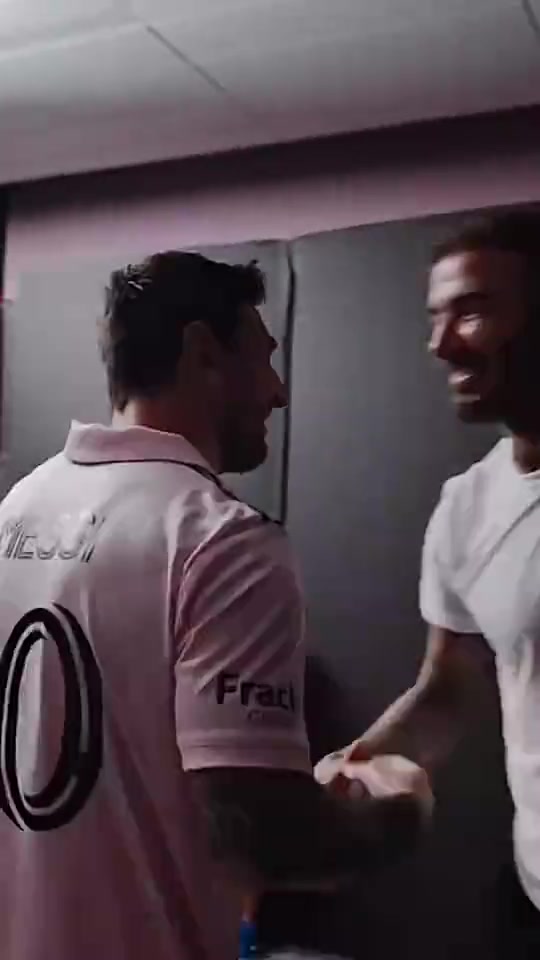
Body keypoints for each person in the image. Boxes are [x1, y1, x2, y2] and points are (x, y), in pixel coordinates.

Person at [0, 251, 431, 960]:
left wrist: (289, 781)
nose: (278, 392)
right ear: (204, 353)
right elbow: (260, 837)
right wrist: (399, 810)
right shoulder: (223, 540)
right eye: (263, 359)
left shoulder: (20, 506)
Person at [321, 210, 540, 958]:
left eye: (471, 312)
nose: (441, 344)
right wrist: (348, 773)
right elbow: (449, 688)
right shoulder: (467, 507)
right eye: (435, 318)